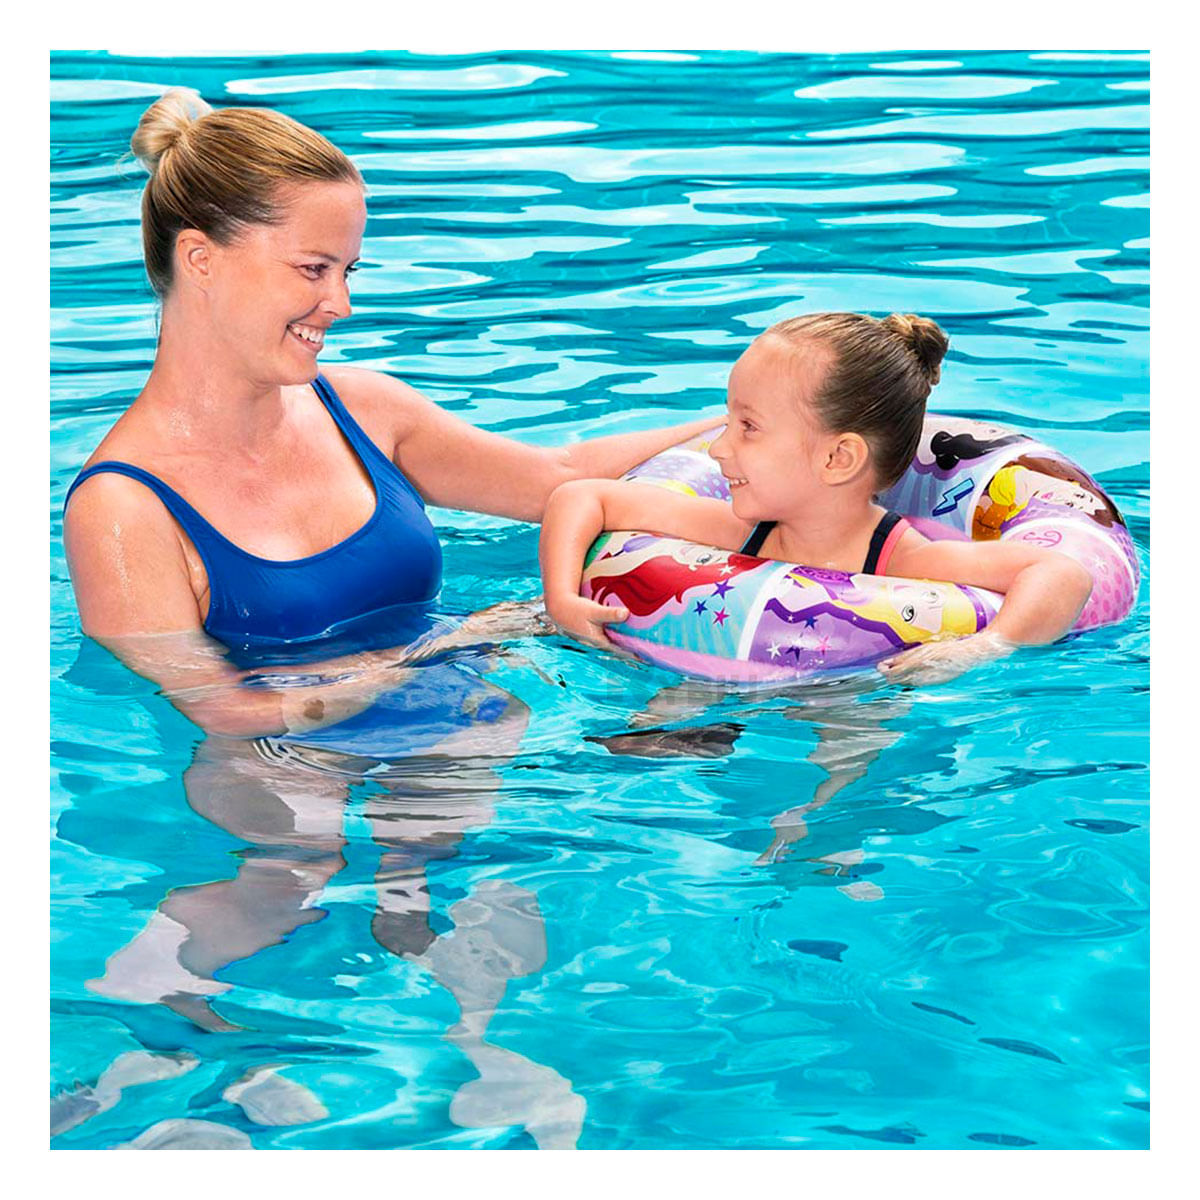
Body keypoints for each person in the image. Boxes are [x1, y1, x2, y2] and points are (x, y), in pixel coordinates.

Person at [62, 88, 722, 738]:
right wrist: (445, 645)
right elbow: (227, 715)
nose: (341, 303)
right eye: (314, 269)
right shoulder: (122, 511)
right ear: (201, 259)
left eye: (348, 270)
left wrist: (748, 424)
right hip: (285, 787)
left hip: (454, 737)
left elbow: (560, 475)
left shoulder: (362, 409)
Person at [538, 311, 1095, 685]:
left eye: (747, 427)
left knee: (847, 752)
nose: (718, 449)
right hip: (713, 679)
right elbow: (582, 496)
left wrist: (988, 646)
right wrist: (561, 599)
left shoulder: (905, 560)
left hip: (849, 694)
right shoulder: (742, 531)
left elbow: (1062, 574)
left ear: (838, 459)